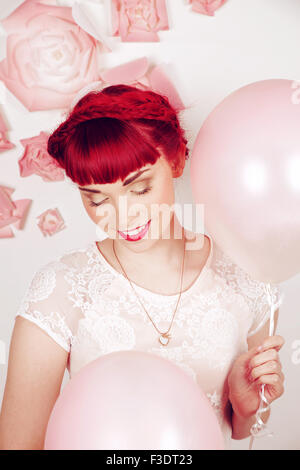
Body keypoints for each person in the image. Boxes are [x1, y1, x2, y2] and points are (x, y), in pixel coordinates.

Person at [0, 85, 285, 450]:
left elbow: (240, 431)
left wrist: (245, 410)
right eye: (97, 198)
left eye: (139, 189)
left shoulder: (246, 277)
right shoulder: (59, 291)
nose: (123, 216)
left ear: (177, 161)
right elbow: (18, 445)